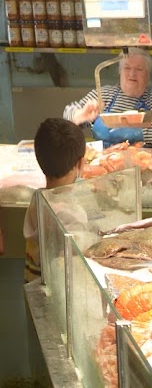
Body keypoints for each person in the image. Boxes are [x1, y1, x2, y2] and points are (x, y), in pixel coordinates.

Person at [63, 50, 152, 149]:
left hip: (148, 169)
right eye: (127, 68)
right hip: (106, 167)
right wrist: (79, 115)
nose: (132, 73)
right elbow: (69, 113)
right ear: (120, 72)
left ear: (147, 74)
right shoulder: (102, 94)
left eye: (139, 69)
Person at [23, 117, 87, 283]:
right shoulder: (73, 214)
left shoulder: (37, 199)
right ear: (81, 163)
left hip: (33, 283)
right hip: (55, 292)